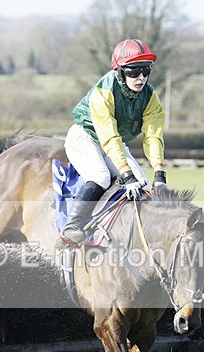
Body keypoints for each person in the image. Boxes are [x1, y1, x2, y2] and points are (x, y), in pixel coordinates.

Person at [58, 38, 168, 248]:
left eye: (146, 70)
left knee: (143, 186)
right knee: (100, 176)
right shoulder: (104, 92)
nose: (141, 78)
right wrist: (126, 175)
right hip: (85, 136)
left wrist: (159, 174)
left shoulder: (150, 95)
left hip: (114, 142)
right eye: (133, 71)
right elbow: (109, 137)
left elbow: (153, 136)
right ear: (119, 71)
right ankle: (72, 227)